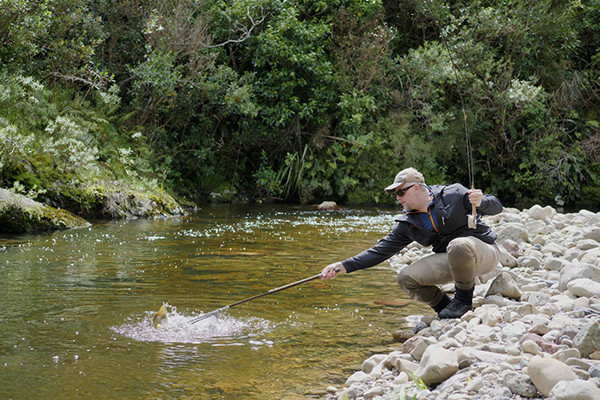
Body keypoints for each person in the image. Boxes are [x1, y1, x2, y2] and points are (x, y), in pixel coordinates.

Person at [321, 167, 503, 319]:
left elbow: (497, 206)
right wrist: (342, 266)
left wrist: (482, 201)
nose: (398, 198)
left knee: (458, 244)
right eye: (395, 194)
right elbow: (379, 251)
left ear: (416, 188)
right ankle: (446, 308)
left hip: (484, 254)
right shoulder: (408, 223)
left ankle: (463, 301)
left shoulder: (454, 193)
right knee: (406, 278)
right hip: (454, 261)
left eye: (401, 192)